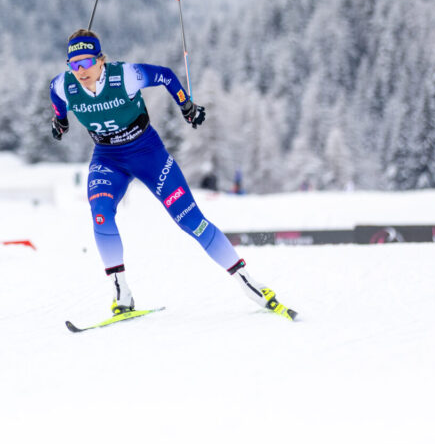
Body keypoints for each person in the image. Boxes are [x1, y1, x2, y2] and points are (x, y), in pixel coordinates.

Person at [49, 29, 295, 319]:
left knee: (191, 220)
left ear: (101, 60)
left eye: (86, 62)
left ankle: (250, 284)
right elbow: (57, 100)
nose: (80, 71)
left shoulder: (125, 76)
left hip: (147, 153)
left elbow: (165, 75)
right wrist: (60, 121)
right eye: (73, 64)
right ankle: (121, 294)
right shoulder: (63, 85)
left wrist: (186, 106)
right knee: (100, 212)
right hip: (107, 158)